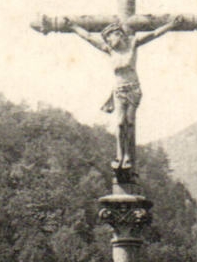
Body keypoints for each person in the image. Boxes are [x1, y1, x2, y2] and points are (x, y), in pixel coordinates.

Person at [66, 18, 180, 173]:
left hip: (133, 89)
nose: (108, 41)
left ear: (118, 35)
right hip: (118, 91)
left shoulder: (132, 44)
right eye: (106, 39)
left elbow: (153, 34)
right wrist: (73, 26)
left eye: (110, 37)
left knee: (130, 122)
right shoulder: (110, 50)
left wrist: (171, 25)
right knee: (120, 123)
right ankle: (122, 156)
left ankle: (128, 157)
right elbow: (88, 37)